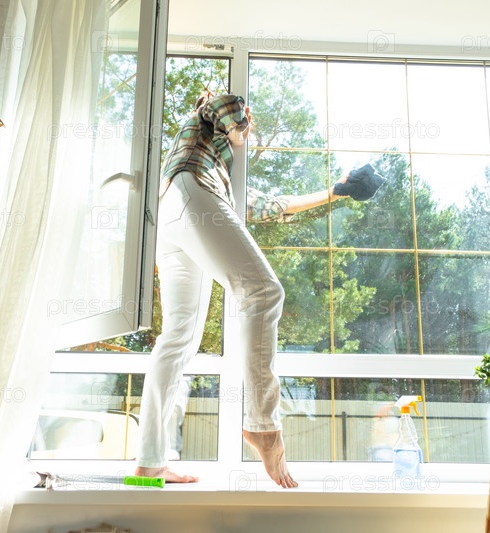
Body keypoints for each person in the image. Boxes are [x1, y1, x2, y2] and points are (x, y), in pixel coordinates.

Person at [134, 93, 351, 488]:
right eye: (247, 125)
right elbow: (221, 105)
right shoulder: (205, 126)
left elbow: (273, 206)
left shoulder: (223, 175)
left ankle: (149, 463)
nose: (248, 133)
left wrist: (334, 192)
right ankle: (263, 425)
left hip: (174, 210)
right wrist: (238, 126)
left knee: (178, 338)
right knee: (263, 293)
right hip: (189, 192)